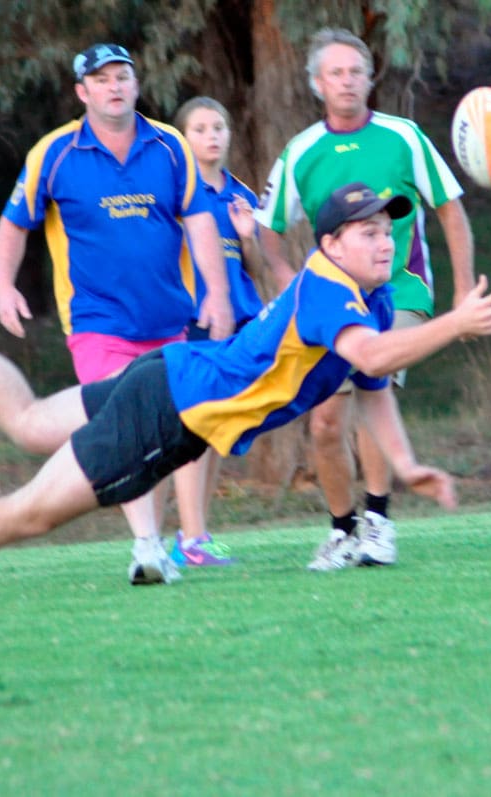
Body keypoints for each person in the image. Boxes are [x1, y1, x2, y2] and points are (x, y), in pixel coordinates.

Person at [0, 182, 491, 683]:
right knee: (29, 512)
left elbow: (370, 388)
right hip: (172, 411)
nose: (386, 238)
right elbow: (372, 358)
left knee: (27, 419)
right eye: (370, 230)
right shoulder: (326, 288)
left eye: (390, 226)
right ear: (333, 241)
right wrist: (456, 323)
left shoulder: (364, 296)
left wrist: (403, 463)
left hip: (172, 377)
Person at [0, 43, 234, 585]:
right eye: (101, 80)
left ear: (136, 84)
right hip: (97, 324)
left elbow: (199, 223)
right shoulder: (53, 154)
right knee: (123, 427)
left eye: (122, 76)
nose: (114, 86)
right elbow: (13, 224)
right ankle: (146, 546)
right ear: (83, 93)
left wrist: (217, 296)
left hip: (169, 321)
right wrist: (4, 286)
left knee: (170, 432)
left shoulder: (170, 145)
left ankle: (166, 540)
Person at [254, 27, 475, 571]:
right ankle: (342, 528)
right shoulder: (302, 151)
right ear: (317, 84)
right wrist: (284, 273)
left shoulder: (403, 137)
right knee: (326, 422)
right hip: (334, 300)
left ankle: (378, 522)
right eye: (336, 73)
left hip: (400, 289)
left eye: (356, 71)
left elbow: (450, 209)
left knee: (370, 380)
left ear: (370, 79)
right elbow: (268, 227)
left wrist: (465, 290)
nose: (347, 81)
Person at [164, 96, 267, 568]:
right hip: (194, 320)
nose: (212, 135)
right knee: (196, 426)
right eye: (201, 128)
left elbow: (260, 267)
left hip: (239, 323)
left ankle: (196, 533)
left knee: (220, 429)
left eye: (219, 126)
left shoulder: (240, 193)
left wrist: (251, 237)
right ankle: (191, 538)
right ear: (183, 138)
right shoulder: (174, 189)